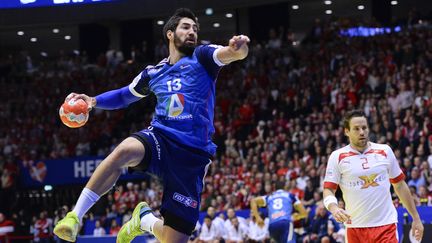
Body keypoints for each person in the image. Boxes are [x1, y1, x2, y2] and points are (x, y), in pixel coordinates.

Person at [53, 8, 250, 243]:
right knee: (124, 151)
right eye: (186, 27)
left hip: (192, 157)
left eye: (195, 29)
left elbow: (231, 54)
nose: (192, 32)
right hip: (161, 138)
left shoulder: (204, 57)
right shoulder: (154, 72)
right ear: (170, 33)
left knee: (172, 239)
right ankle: (75, 216)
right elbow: (125, 95)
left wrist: (238, 49)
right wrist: (94, 101)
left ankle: (144, 219)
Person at [323, 110, 424, 243]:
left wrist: (416, 218)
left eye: (364, 128)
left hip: (386, 225)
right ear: (347, 131)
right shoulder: (337, 156)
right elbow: (328, 189)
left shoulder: (385, 151)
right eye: (356, 129)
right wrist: (334, 208)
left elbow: (399, 185)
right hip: (355, 227)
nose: (361, 132)